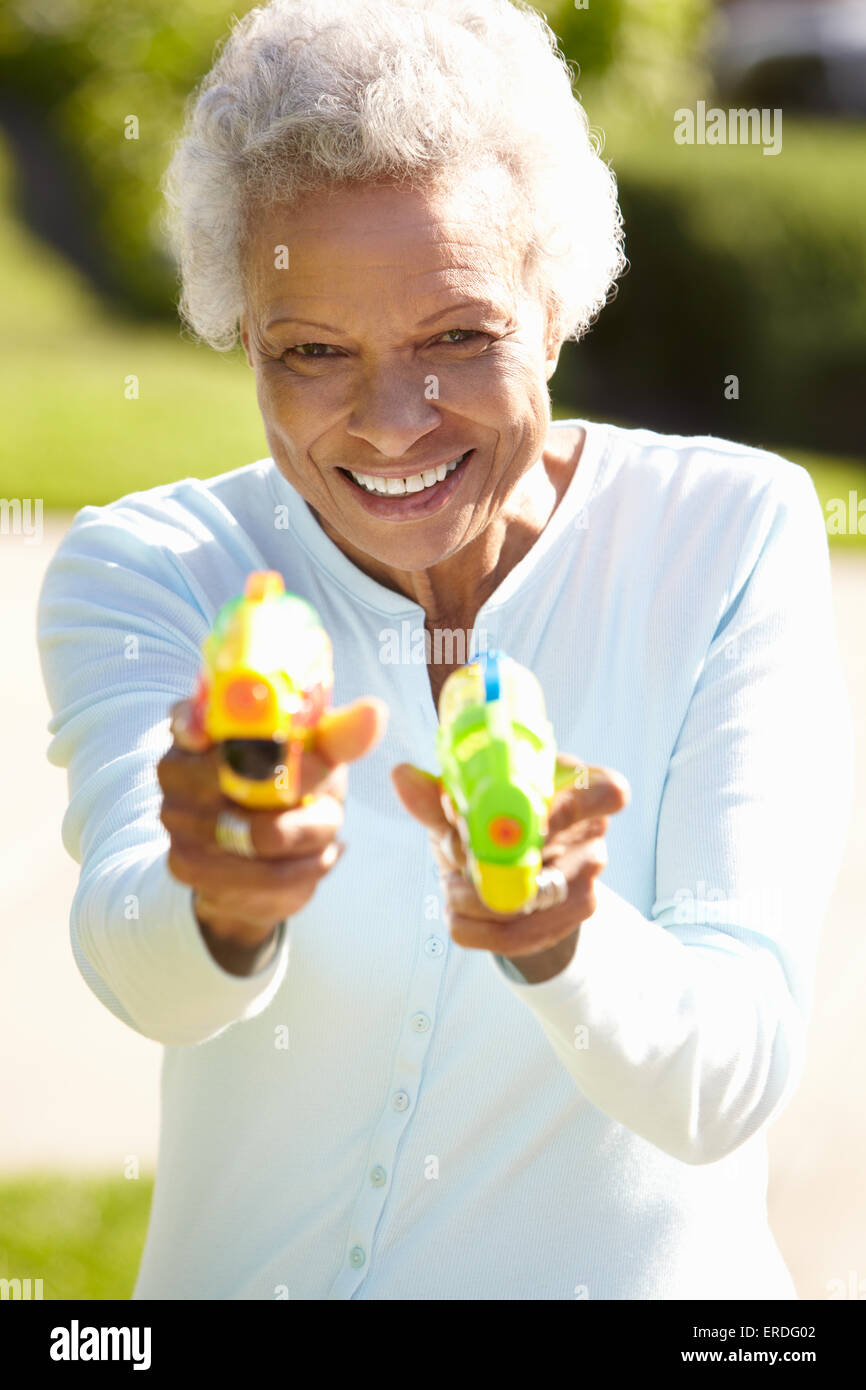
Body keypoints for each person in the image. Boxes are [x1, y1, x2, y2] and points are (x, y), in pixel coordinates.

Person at [37, 0, 851, 1300]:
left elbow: (726, 1076)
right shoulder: (151, 566)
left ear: (555, 302)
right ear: (240, 331)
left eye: (457, 336)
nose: (393, 420)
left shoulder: (724, 533)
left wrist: (560, 932)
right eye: (311, 351)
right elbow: (147, 972)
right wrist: (220, 900)